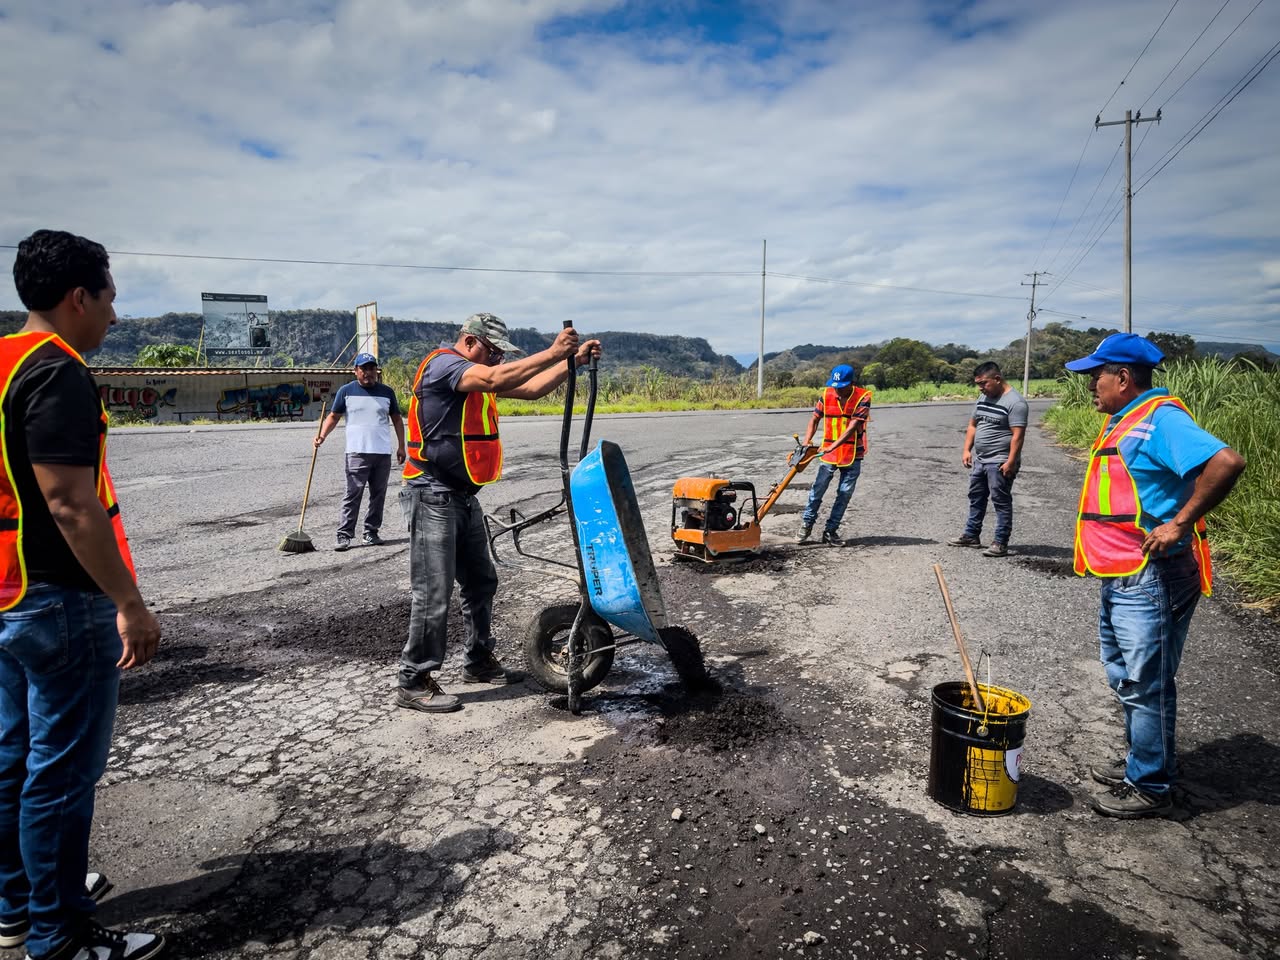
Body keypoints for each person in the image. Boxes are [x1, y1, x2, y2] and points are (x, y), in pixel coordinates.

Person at [0, 231, 165, 959]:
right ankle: (59, 933)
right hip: (58, 598)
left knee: (13, 756)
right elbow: (70, 503)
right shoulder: (57, 371)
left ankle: (18, 902)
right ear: (78, 298)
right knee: (63, 772)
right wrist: (129, 602)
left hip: (7, 592)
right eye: (110, 299)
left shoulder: (4, 362)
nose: (114, 316)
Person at [1065, 333, 1245, 819]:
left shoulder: (1161, 419)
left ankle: (1150, 785)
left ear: (1123, 377)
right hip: (1124, 572)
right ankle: (1142, 761)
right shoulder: (1128, 419)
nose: (1091, 386)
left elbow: (1226, 462)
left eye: (1096, 376)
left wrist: (1179, 523)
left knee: (1147, 682)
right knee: (1125, 675)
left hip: (1153, 576)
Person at [397, 314, 601, 713]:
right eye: (493, 352)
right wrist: (554, 350)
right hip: (431, 494)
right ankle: (413, 679)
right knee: (433, 592)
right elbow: (495, 378)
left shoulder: (476, 376)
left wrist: (571, 362)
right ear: (470, 342)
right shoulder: (445, 366)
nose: (497, 360)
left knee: (480, 582)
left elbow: (531, 388)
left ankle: (478, 662)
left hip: (461, 495)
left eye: (500, 355)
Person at [314, 352, 405, 551]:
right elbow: (333, 416)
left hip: (382, 453)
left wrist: (401, 446)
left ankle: (371, 532)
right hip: (356, 452)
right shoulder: (346, 391)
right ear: (356, 371)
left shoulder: (387, 392)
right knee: (353, 493)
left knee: (378, 495)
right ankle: (344, 535)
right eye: (364, 368)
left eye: (372, 368)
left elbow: (397, 420)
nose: (368, 372)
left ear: (376, 371)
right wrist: (322, 436)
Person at [947, 362, 1028, 557]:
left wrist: (1011, 461)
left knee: (1000, 501)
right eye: (978, 384)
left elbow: (1018, 436)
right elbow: (973, 425)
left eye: (984, 383)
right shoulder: (983, 397)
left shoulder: (1016, 403)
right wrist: (966, 450)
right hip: (981, 459)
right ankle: (971, 535)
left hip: (1000, 460)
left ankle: (1000, 542)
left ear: (997, 379)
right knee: (976, 497)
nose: (980, 388)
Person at [797, 364, 871, 546]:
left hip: (852, 452)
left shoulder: (863, 397)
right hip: (828, 452)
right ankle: (806, 524)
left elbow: (852, 426)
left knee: (844, 493)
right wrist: (806, 442)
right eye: (835, 386)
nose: (837, 390)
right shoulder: (826, 395)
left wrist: (833, 446)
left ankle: (830, 531)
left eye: (841, 387)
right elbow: (815, 419)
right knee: (817, 490)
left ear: (851, 383)